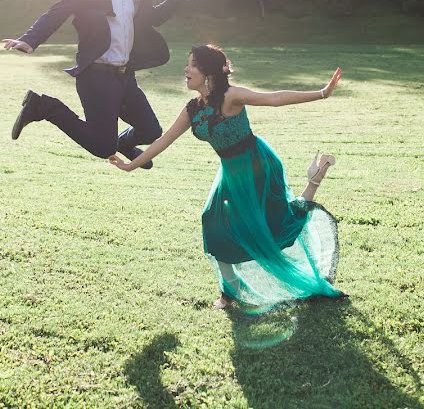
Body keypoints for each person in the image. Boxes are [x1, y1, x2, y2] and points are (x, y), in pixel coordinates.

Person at [109, 44, 345, 309]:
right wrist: (132, 165)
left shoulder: (230, 96)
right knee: (213, 223)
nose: (185, 69)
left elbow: (274, 98)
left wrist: (323, 93)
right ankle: (230, 292)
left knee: (275, 226)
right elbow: (164, 141)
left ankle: (313, 179)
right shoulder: (192, 109)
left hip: (256, 166)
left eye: (192, 65)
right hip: (230, 172)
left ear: (207, 72)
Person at [2, 0, 210, 168]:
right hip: (96, 76)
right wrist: (30, 39)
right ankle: (43, 106)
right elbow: (58, 12)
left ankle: (122, 143)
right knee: (102, 147)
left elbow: (156, 16)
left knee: (150, 130)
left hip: (125, 76)